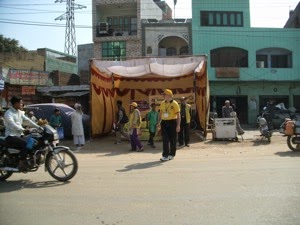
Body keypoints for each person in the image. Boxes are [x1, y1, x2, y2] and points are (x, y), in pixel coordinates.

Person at [4, 96, 42, 171]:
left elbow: (27, 120)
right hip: (11, 136)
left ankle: (30, 159)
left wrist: (39, 127)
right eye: (21, 103)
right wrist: (23, 129)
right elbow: (12, 124)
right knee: (26, 144)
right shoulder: (8, 113)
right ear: (16, 104)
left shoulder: (20, 112)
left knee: (33, 141)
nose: (22, 104)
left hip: (19, 135)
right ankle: (21, 162)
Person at [157, 89, 181, 161]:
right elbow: (160, 113)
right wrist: (159, 122)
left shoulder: (175, 103)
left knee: (173, 139)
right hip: (164, 122)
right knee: (165, 139)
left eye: (165, 94)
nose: (164, 96)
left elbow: (178, 115)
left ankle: (172, 154)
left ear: (169, 95)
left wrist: (178, 125)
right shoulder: (162, 103)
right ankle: (165, 155)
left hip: (172, 122)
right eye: (163, 95)